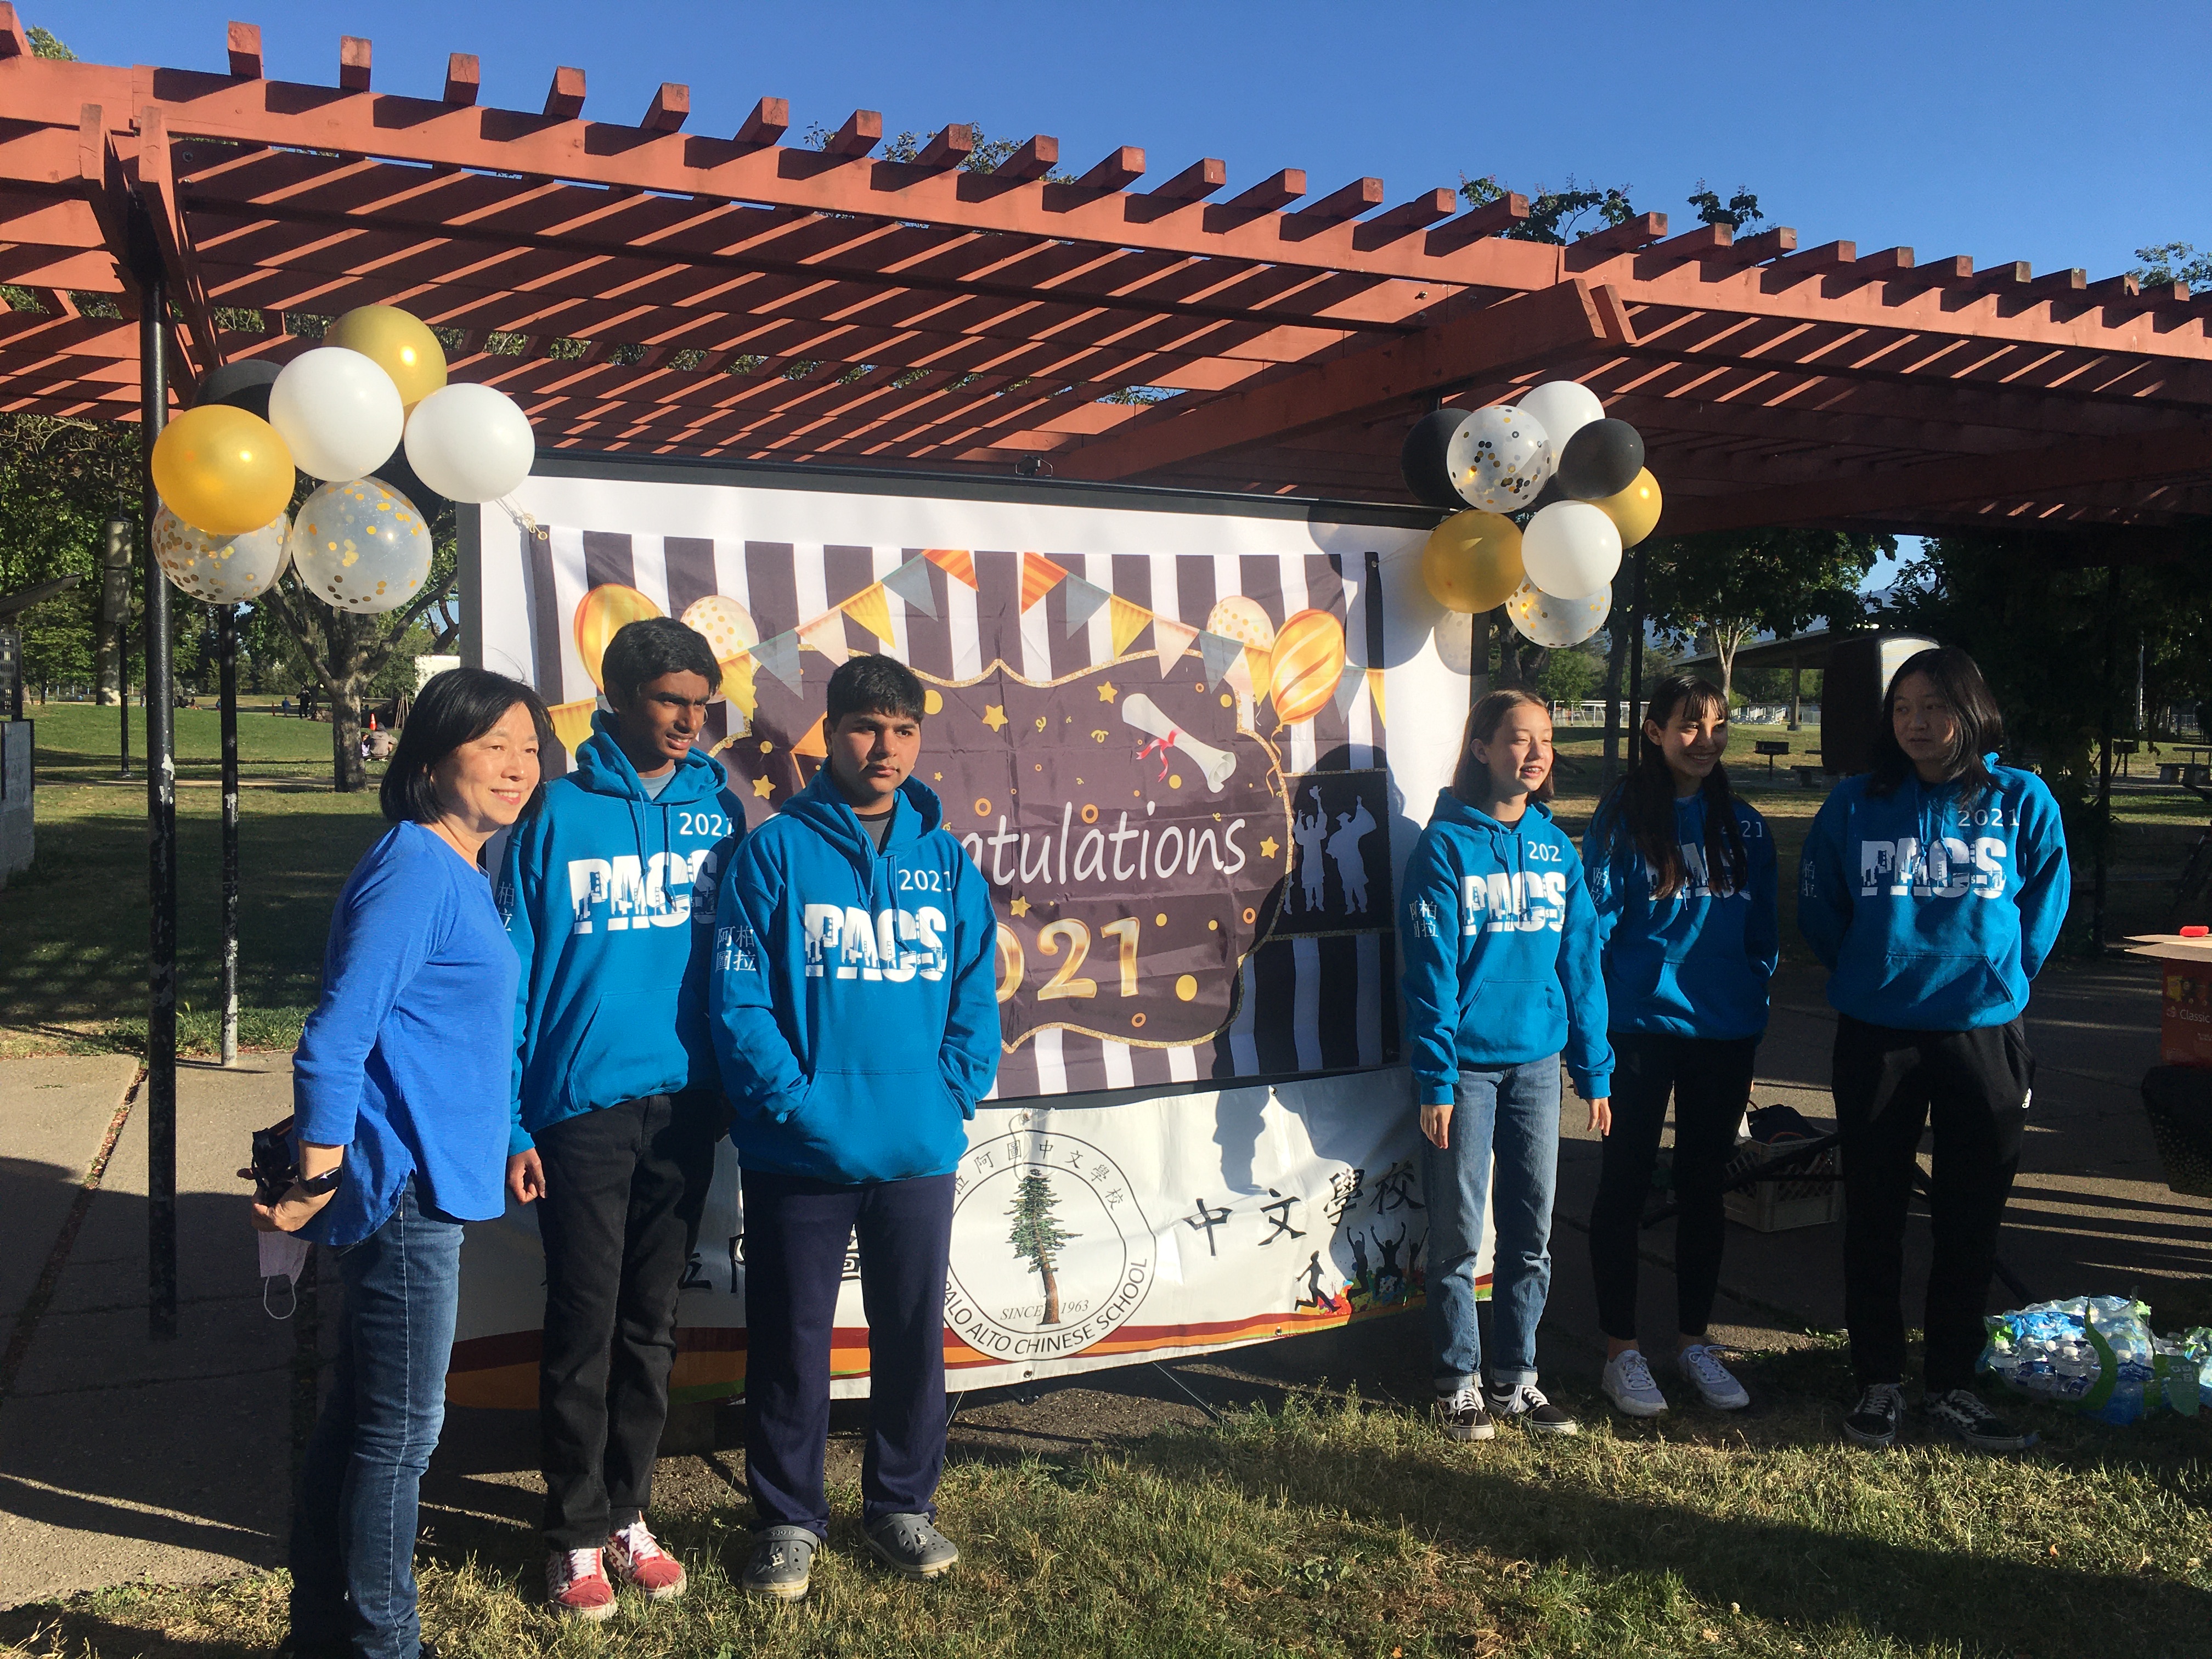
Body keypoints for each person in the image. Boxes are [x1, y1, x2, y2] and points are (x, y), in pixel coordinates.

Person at [263, 668, 550, 1659]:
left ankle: (320, 1634)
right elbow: (335, 1039)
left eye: (529, 748)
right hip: (400, 1190)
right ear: (431, 762)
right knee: (402, 1439)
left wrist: (507, 1135)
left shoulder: (464, 864)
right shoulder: (418, 868)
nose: (518, 768)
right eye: (493, 748)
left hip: (432, 1174)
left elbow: (451, 1035)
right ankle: (388, 1645)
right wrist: (314, 1178)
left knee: (360, 1424)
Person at [709, 654, 1000, 1600]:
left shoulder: (945, 860)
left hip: (916, 1144)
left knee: (911, 1333)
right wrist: (796, 1104)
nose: (887, 748)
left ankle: (901, 1506)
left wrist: (948, 1092)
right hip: (800, 1150)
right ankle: (789, 1520)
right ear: (829, 736)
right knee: (790, 1339)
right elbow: (740, 1000)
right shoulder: (774, 854)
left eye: (905, 730)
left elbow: (974, 993)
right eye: (868, 728)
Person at [499, 617, 745, 1619]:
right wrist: (516, 1121)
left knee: (652, 1326)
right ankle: (569, 1531)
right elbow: (510, 974)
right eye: (670, 702)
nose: (690, 722)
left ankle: (629, 1513)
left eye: (702, 705)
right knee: (583, 1325)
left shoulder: (723, 815)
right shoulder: (554, 815)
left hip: (685, 1108)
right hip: (579, 1109)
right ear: (616, 702)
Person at [1798, 646, 2069, 1453]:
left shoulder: (2022, 799)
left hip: (1983, 1032)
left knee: (1969, 1218)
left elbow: (2043, 906)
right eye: (1904, 708)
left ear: (1971, 710)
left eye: (1934, 707)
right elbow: (1823, 906)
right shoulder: (1854, 803)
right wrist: (1872, 970)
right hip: (1878, 1033)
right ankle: (1879, 1381)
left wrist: (1997, 977)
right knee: (1874, 1212)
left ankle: (1952, 1383)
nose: (1917, 723)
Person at [1400, 687, 1612, 1442]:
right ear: (1481, 749)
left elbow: (1581, 964)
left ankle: (1517, 1378)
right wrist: (1436, 1077)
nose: (1533, 754)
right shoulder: (1445, 847)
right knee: (1459, 1235)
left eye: (1545, 741)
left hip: (1538, 1069)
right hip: (1466, 1074)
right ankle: (1457, 1380)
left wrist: (1594, 1069)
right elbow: (1428, 975)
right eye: (1517, 740)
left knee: (1532, 1233)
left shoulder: (1558, 849)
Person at [1582, 675, 1777, 1419]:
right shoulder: (1624, 817)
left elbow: (1764, 934)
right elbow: (1595, 922)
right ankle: (1621, 1353)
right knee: (1625, 1185)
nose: (1706, 740)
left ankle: (1696, 1342)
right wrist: (1592, 1027)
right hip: (1637, 1030)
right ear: (1654, 731)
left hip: (1724, 1033)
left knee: (1705, 1188)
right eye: (1689, 726)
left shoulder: (1748, 826)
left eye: (1719, 725)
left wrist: (1749, 1000)